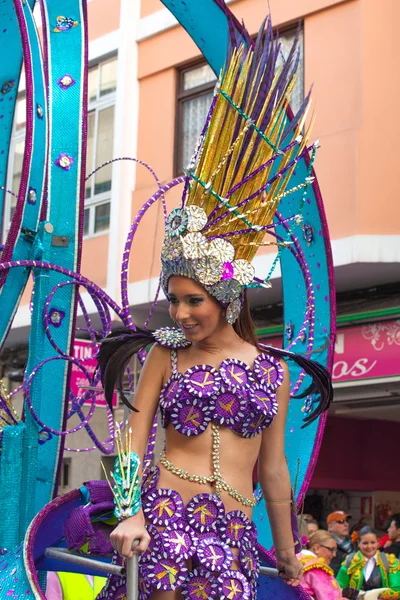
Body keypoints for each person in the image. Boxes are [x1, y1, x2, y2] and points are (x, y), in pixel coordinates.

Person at [97, 16, 332, 600]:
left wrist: (286, 552)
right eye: (173, 300)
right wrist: (130, 513)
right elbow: (132, 435)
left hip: (230, 535)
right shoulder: (164, 356)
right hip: (164, 523)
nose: (179, 313)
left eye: (193, 300)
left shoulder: (270, 371)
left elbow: (273, 472)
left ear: (226, 296)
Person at [336, 526, 400, 597]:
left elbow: (396, 590)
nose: (369, 546)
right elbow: (338, 588)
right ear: (358, 543)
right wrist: (357, 594)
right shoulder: (350, 561)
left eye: (373, 542)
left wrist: (377, 595)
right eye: (365, 543)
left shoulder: (389, 562)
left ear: (378, 543)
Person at [298, 530, 345, 599]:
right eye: (331, 549)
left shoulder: (295, 558)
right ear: (317, 548)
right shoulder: (317, 568)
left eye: (335, 551)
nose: (334, 555)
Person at [328, 511, 355, 575]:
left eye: (347, 521)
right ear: (330, 527)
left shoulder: (356, 543)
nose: (346, 524)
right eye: (341, 521)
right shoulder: (326, 546)